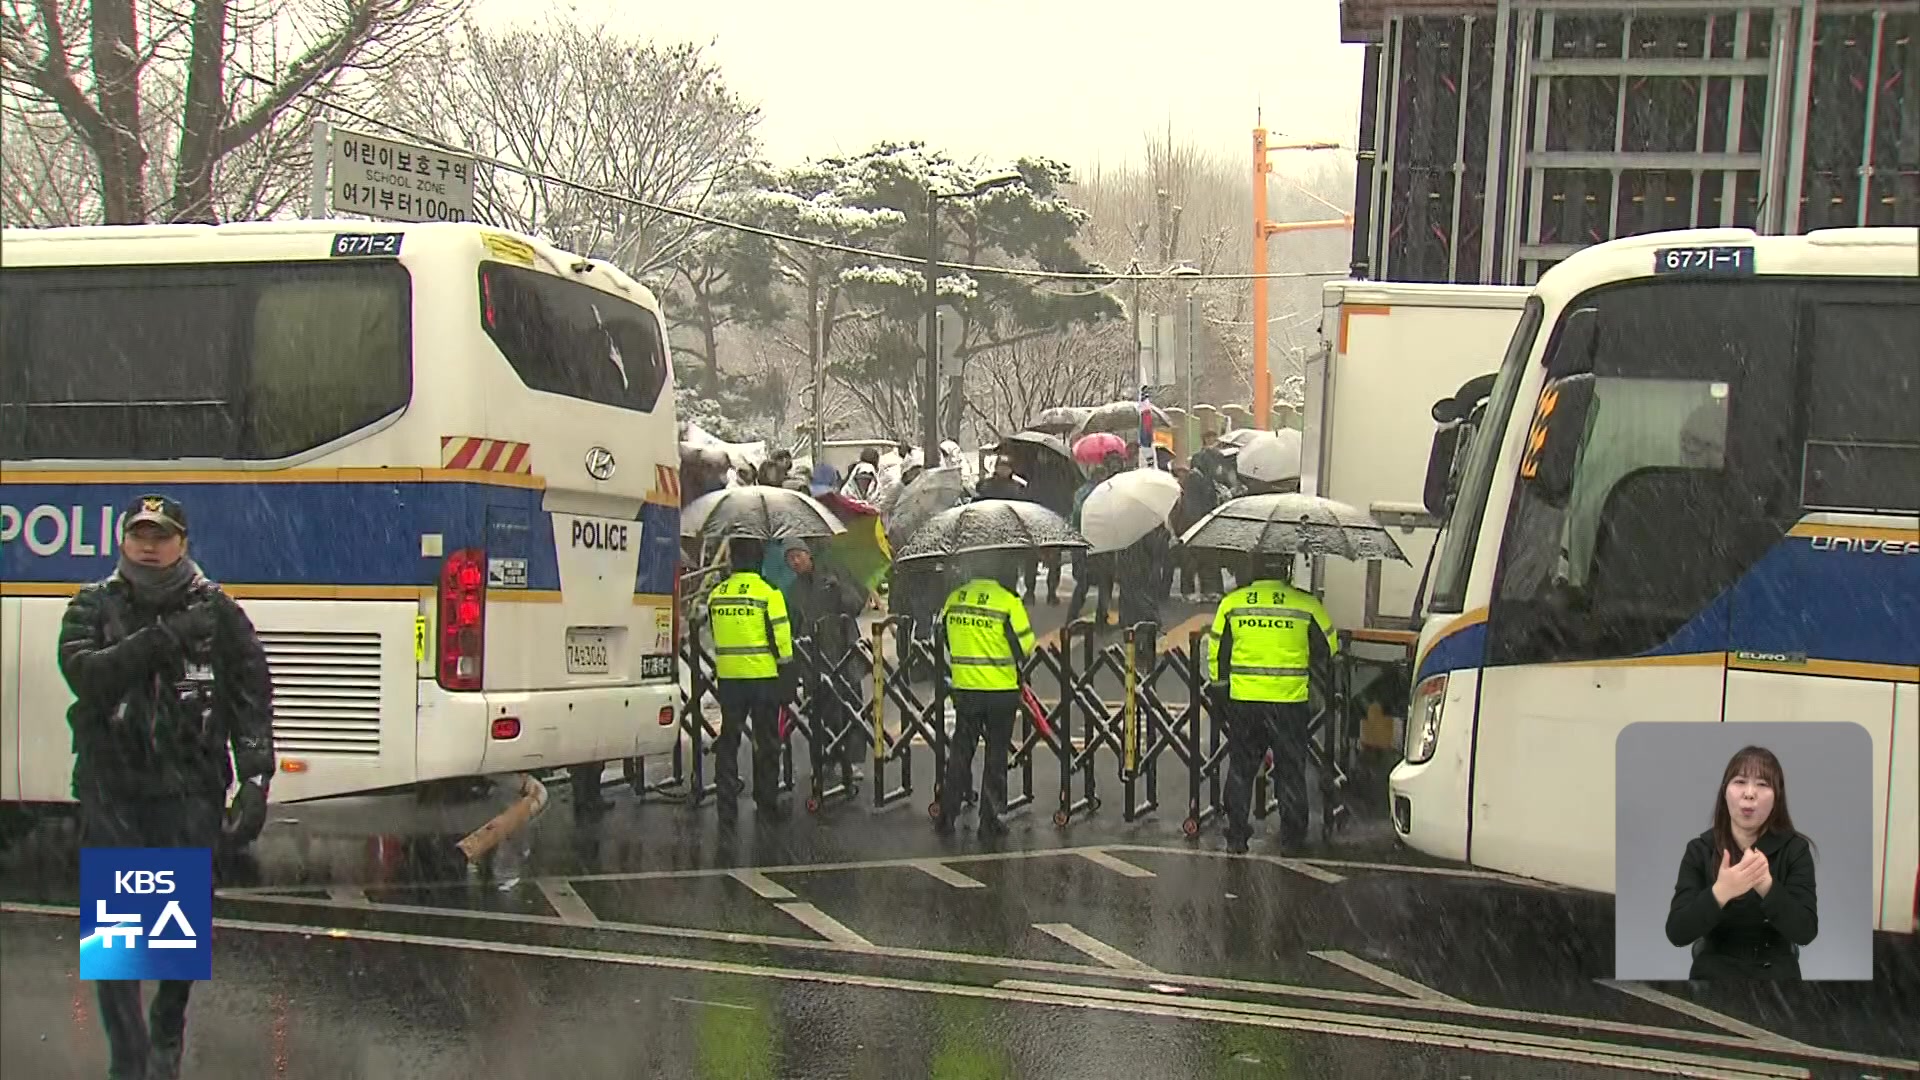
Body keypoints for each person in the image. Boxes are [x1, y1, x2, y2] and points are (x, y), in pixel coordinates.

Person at [57, 494, 274, 1080]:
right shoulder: (91, 606)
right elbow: (88, 675)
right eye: (140, 534)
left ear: (183, 543)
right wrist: (162, 638)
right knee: (119, 939)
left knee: (176, 933)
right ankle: (128, 1059)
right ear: (122, 540)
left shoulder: (218, 612)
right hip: (115, 789)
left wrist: (255, 777)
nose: (149, 545)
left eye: (162, 535)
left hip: (188, 790)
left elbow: (250, 693)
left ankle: (166, 1032)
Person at [1207, 552, 1336, 855]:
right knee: (1290, 769)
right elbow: (1329, 648)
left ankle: (1237, 834)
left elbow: (1216, 654)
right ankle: (1292, 836)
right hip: (1289, 702)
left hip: (1245, 701)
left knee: (1241, 768)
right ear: (1287, 568)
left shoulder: (1232, 603)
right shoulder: (1306, 605)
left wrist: (1221, 691)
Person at [1664, 746, 1818, 980]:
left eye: (1763, 784)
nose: (1749, 793)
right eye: (1740, 781)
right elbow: (1677, 932)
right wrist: (1720, 892)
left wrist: (1766, 885)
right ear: (1725, 792)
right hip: (1712, 975)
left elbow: (1805, 932)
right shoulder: (1700, 849)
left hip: (1777, 977)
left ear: (1777, 796)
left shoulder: (1794, 849)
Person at [936, 554, 1035, 838]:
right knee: (996, 754)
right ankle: (990, 819)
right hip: (1000, 691)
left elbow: (942, 638)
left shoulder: (955, 598)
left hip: (965, 688)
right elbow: (1025, 646)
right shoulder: (1007, 602)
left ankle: (947, 813)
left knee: (960, 751)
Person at [706, 536, 795, 819]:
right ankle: (766, 798)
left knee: (729, 738)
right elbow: (782, 640)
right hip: (763, 675)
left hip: (729, 677)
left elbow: (712, 631)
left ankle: (726, 800)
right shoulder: (769, 593)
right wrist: (786, 670)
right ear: (759, 559)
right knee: (766, 740)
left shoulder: (717, 594)